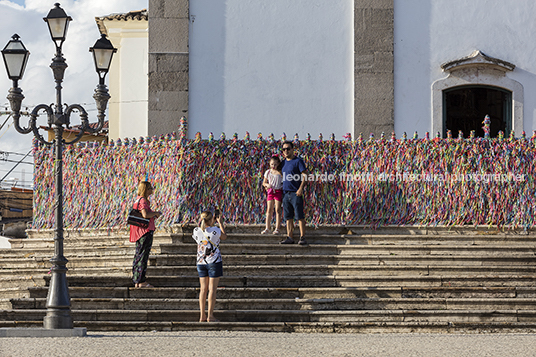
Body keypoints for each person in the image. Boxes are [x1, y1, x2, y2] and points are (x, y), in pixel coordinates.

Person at [192, 210, 227, 322]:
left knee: (203, 289)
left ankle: (202, 315)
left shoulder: (196, 230)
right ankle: (210, 316)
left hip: (201, 262)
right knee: (212, 289)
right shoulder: (216, 230)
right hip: (214, 261)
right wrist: (220, 223)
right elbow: (224, 237)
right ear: (212, 219)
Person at [129, 181, 163, 288]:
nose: (152, 190)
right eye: (150, 188)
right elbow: (145, 215)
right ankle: (141, 281)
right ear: (145, 189)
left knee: (139, 254)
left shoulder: (137, 200)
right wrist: (155, 213)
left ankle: (137, 281)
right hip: (145, 231)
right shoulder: (143, 200)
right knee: (143, 255)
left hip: (140, 232)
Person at [279, 141, 308, 245]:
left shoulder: (298, 161)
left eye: (288, 148)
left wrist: (300, 188)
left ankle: (302, 237)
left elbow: (305, 175)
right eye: (284, 149)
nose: (286, 151)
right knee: (288, 217)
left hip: (296, 193)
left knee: (299, 216)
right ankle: (289, 237)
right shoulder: (282, 163)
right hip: (286, 193)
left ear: (292, 149)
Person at [261, 155, 283, 234]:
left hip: (278, 192)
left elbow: (283, 183)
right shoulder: (268, 172)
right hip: (270, 192)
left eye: (275, 164)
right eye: (272, 164)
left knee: (277, 209)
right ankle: (267, 227)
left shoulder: (280, 173)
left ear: (278, 164)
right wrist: (267, 185)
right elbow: (264, 182)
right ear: (270, 164)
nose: (273, 166)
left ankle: (277, 228)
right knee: (269, 209)